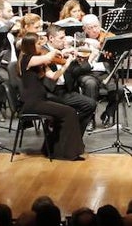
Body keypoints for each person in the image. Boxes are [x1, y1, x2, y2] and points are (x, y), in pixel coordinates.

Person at [16, 33, 86, 161]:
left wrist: (66, 64)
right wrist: (57, 51)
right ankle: (68, 153)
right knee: (69, 112)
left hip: (41, 100)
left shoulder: (38, 59)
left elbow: (53, 76)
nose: (41, 45)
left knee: (66, 111)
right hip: (32, 103)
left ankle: (54, 150)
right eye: (38, 43)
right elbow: (48, 57)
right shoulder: (27, 59)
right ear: (30, 45)